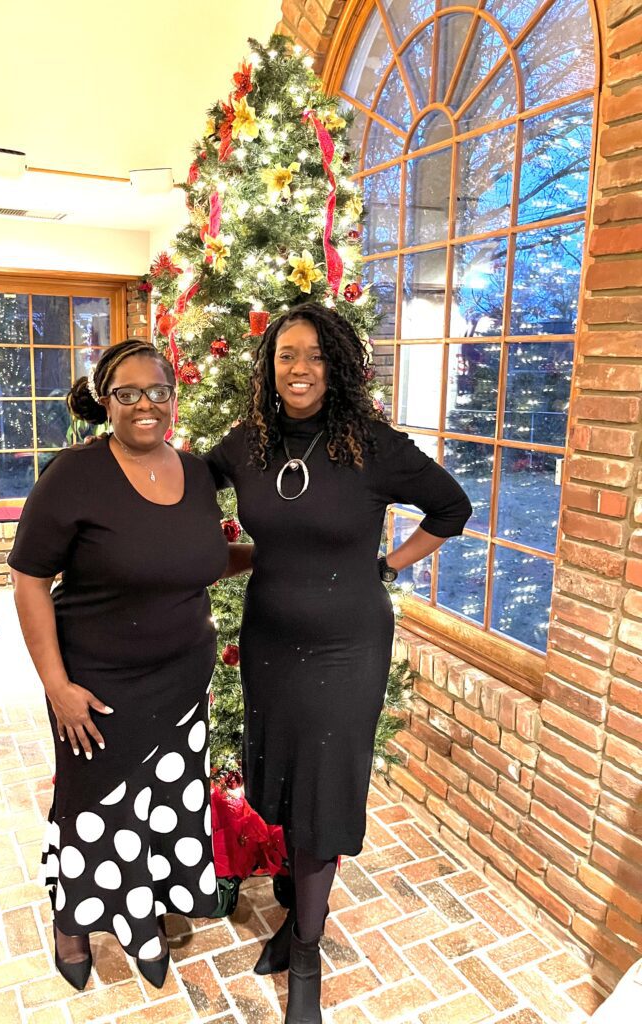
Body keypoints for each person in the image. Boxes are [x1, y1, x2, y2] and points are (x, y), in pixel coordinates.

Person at [205, 302, 472, 1024]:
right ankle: (295, 921)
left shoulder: (373, 447)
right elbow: (183, 497)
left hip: (347, 644)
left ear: (338, 368)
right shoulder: (246, 446)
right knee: (284, 783)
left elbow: (452, 507)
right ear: (269, 366)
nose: (300, 369)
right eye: (287, 355)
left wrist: (387, 564)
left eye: (316, 356)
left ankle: (307, 955)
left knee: (323, 792)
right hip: (270, 644)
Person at [8, 340, 234, 992]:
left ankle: (143, 912)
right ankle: (73, 923)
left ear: (173, 396)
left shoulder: (195, 473)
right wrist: (57, 688)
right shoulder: (73, 474)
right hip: (98, 687)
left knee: (161, 803)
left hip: (183, 682)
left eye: (156, 391)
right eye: (127, 393)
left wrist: (290, 557)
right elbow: (28, 582)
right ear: (105, 400)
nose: (145, 405)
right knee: (91, 807)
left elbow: (200, 561)